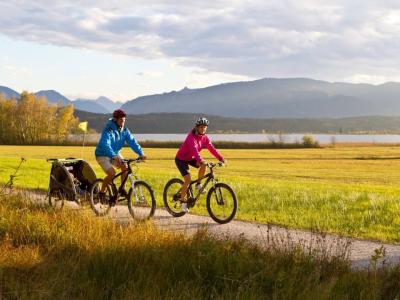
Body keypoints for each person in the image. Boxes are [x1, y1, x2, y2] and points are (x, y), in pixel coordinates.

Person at [95, 109, 146, 205]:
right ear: (115, 120)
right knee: (112, 173)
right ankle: (101, 193)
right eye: (121, 120)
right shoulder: (108, 130)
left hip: (114, 153)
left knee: (125, 167)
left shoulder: (125, 131)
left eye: (124, 121)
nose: (123, 123)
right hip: (102, 154)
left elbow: (132, 142)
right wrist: (113, 155)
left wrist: (141, 153)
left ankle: (121, 189)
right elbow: (105, 144)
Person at [175, 117, 225, 212]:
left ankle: (198, 184)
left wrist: (221, 158)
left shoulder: (204, 138)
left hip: (190, 158)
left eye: (205, 127)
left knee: (204, 165)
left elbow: (212, 149)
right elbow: (194, 150)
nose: (203, 129)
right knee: (188, 179)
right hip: (181, 159)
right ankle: (182, 202)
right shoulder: (191, 137)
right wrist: (200, 160)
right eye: (201, 127)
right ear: (197, 127)